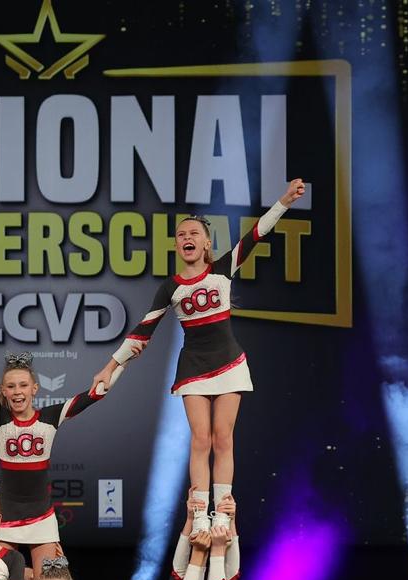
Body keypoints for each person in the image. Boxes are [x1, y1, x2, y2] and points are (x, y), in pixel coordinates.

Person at [89, 179, 307, 532]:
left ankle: (222, 511)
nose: (186, 238)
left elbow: (258, 234)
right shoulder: (171, 287)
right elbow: (143, 330)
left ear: (207, 242)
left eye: (194, 233)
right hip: (193, 368)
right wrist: (109, 368)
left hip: (229, 363)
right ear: (177, 245)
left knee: (223, 438)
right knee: (201, 439)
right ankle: (200, 512)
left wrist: (284, 200)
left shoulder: (223, 269)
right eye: (180, 235)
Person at [0, 348, 105, 573]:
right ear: (3, 391)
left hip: (42, 515)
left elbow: (96, 393)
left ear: (34, 388)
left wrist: (117, 364)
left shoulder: (51, 417)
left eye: (23, 385)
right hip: (6, 514)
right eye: (11, 386)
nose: (17, 392)